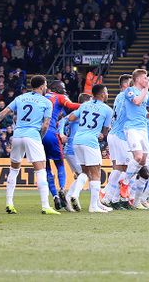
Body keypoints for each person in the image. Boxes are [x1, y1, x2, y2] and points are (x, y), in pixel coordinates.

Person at [0, 75, 58, 215]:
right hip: (33, 136)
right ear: (42, 86)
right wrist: (39, 138)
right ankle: (45, 206)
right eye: (45, 85)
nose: (46, 87)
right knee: (40, 170)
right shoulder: (46, 102)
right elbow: (45, 125)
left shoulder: (20, 98)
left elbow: (3, 114)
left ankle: (9, 204)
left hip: (17, 136)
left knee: (14, 169)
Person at [122, 69, 149, 209]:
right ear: (137, 79)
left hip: (142, 130)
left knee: (144, 160)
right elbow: (136, 102)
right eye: (144, 78)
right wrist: (146, 89)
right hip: (131, 128)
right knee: (139, 157)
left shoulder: (146, 93)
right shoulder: (129, 91)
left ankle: (139, 200)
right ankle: (124, 182)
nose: (147, 80)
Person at [66, 84, 113, 213]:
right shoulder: (108, 110)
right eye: (106, 92)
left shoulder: (84, 105)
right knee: (96, 172)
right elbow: (104, 132)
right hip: (90, 142)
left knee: (85, 172)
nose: (107, 94)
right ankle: (93, 206)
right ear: (102, 94)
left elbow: (71, 118)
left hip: (77, 140)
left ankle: (73, 195)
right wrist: (101, 134)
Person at [42, 80, 80, 210]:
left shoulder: (41, 97)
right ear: (54, 88)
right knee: (59, 164)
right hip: (51, 134)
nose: (64, 89)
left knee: (46, 168)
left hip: (38, 135)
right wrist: (87, 105)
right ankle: (62, 189)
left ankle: (55, 197)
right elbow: (71, 105)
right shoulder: (59, 97)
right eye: (62, 87)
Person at [103, 74, 132, 207]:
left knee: (118, 168)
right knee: (130, 167)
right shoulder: (124, 96)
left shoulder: (118, 97)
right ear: (124, 85)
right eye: (130, 83)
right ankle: (107, 193)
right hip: (120, 136)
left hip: (114, 134)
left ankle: (111, 199)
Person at [60, 93, 90, 211]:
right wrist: (62, 134)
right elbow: (62, 121)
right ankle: (71, 196)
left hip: (77, 148)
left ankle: (68, 199)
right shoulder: (77, 113)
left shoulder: (86, 114)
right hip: (72, 148)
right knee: (85, 173)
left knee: (81, 175)